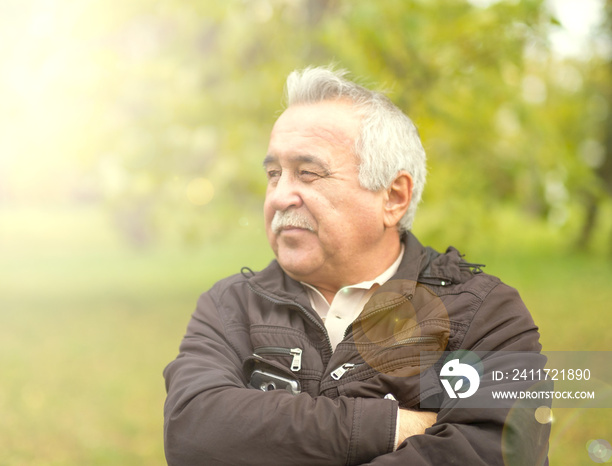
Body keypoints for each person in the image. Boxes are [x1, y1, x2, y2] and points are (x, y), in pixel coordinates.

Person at [163, 66, 550, 465]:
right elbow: (192, 430)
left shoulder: (486, 315)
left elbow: (500, 452)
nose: (280, 197)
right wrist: (389, 427)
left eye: (307, 173)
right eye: (274, 174)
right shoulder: (230, 306)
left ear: (394, 197)